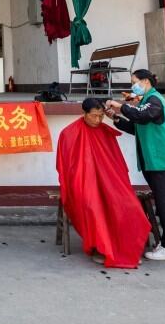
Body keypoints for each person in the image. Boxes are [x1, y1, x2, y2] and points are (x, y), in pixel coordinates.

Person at [106, 69, 165, 261]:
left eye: (134, 82)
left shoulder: (154, 100)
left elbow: (141, 115)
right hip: (156, 160)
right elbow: (138, 127)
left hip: (162, 160)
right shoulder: (146, 101)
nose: (133, 86)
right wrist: (116, 118)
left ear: (145, 81)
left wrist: (120, 106)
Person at [56, 99, 151, 268]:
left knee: (127, 205)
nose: (98, 120)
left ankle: (126, 248)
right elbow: (65, 167)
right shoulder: (69, 134)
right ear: (84, 113)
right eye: (94, 116)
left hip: (109, 181)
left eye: (101, 116)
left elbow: (117, 165)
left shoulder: (105, 132)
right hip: (82, 183)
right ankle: (100, 247)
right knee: (93, 206)